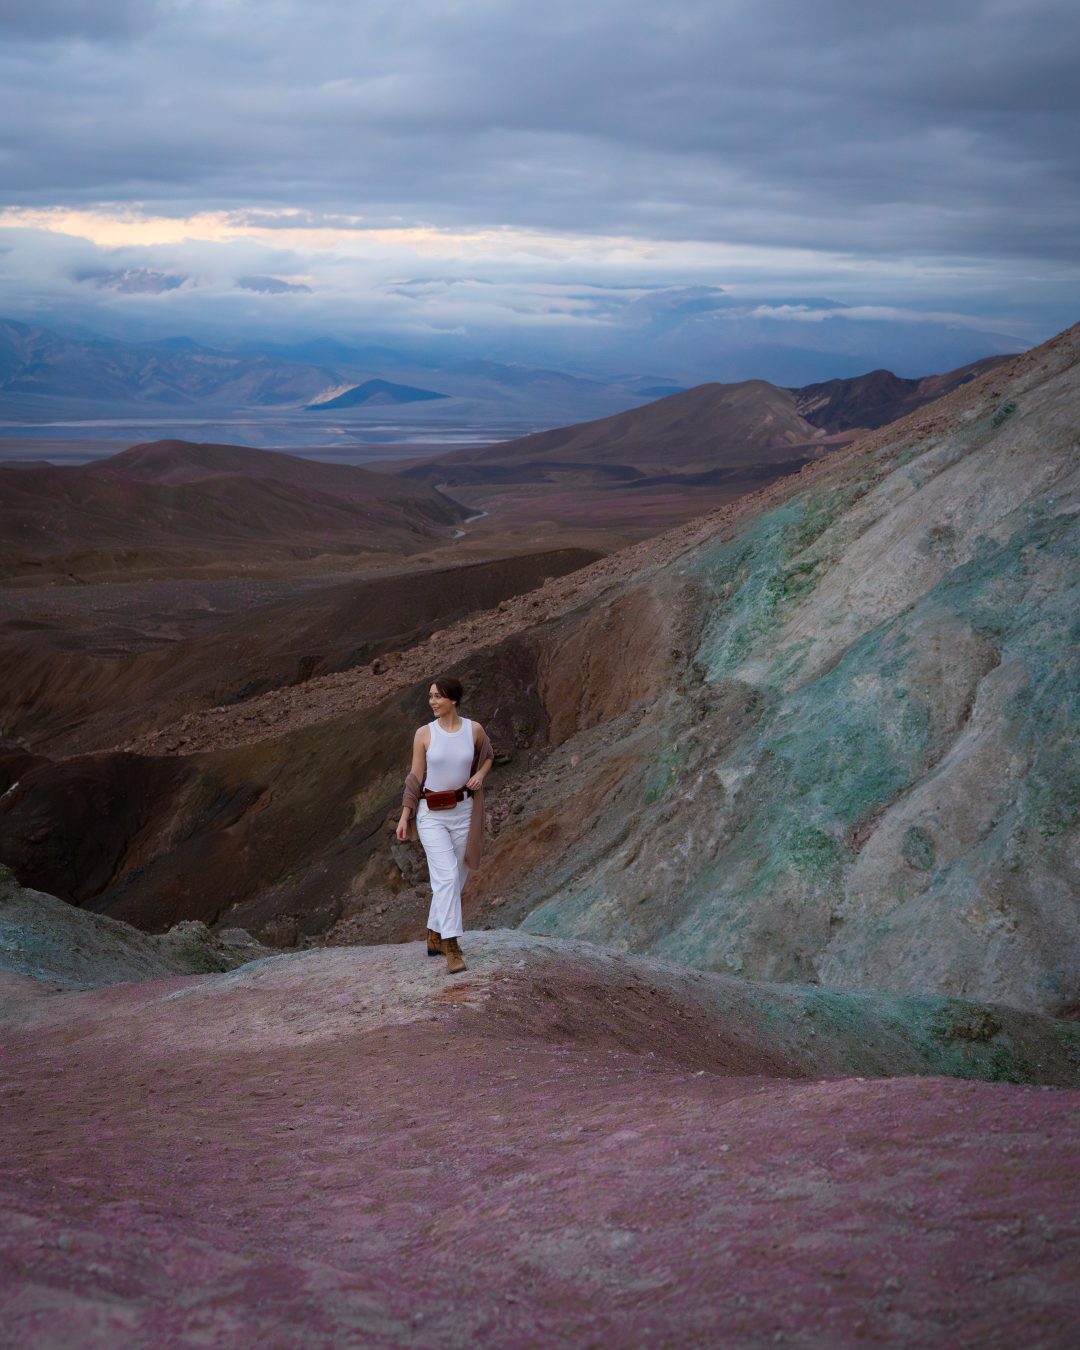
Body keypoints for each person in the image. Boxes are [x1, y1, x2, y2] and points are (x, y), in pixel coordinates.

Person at [396, 677, 494, 974]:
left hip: (464, 811)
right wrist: (405, 814)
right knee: (447, 877)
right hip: (431, 814)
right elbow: (414, 776)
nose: (432, 701)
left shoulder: (473, 729)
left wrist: (480, 775)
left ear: (453, 699)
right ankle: (452, 946)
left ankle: (434, 935)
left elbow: (487, 757)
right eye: (430, 696)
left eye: (438, 696)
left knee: (456, 877)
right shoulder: (424, 734)